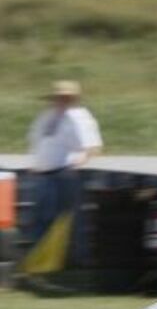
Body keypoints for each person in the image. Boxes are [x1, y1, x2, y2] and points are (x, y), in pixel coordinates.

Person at [27, 80, 103, 246]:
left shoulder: (80, 116)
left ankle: (62, 254)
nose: (61, 100)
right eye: (59, 97)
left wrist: (82, 159)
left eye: (66, 97)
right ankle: (42, 254)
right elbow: (38, 141)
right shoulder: (47, 116)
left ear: (74, 99)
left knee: (62, 219)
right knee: (42, 218)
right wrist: (37, 163)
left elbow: (93, 146)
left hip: (63, 174)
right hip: (43, 174)